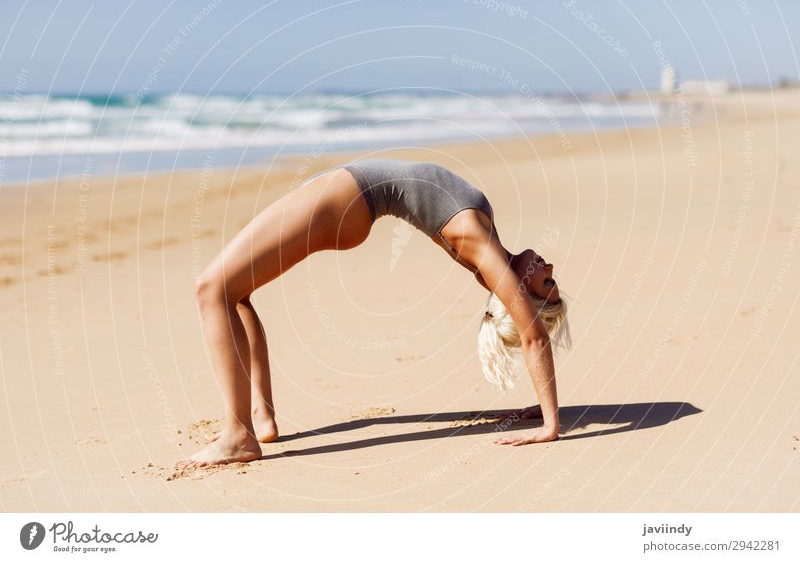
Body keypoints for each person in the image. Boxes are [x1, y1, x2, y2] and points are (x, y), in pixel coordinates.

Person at [176, 158, 572, 469]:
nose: (550, 270)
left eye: (545, 285)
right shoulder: (489, 250)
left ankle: (237, 436)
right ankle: (261, 419)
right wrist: (540, 404)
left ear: (517, 296)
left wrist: (550, 425)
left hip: (348, 198)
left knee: (211, 289)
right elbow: (524, 323)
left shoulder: (480, 246)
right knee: (235, 292)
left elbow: (533, 334)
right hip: (351, 197)